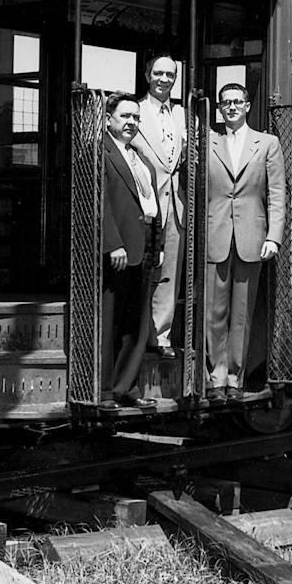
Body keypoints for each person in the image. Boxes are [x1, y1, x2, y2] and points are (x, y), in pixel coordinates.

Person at [204, 83, 285, 401]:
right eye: (226, 103)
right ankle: (216, 376)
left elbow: (277, 195)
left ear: (248, 106)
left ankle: (235, 378)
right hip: (216, 236)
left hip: (252, 239)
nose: (232, 107)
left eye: (237, 102)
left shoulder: (267, 144)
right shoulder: (209, 142)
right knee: (215, 312)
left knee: (241, 313)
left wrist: (273, 237)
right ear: (220, 108)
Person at [101, 92, 163, 408]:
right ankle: (106, 391)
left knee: (135, 324)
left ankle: (127, 387)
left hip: (144, 250)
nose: (131, 122)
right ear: (108, 118)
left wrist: (159, 244)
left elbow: (152, 204)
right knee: (111, 322)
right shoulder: (102, 153)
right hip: (119, 252)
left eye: (136, 117)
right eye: (125, 116)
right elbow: (99, 203)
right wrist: (113, 244)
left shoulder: (138, 156)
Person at [132, 51, 186, 354]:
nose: (164, 79)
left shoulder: (182, 114)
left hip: (176, 203)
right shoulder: (135, 111)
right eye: (158, 74)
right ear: (148, 76)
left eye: (170, 75)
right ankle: (139, 334)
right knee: (144, 270)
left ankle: (161, 336)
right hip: (146, 203)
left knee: (170, 272)